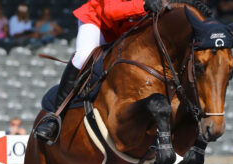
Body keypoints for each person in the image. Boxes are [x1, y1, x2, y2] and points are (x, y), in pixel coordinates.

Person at [35, 0, 161, 142]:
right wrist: (143, 6)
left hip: (126, 31)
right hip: (97, 21)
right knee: (83, 57)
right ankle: (55, 117)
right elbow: (110, 11)